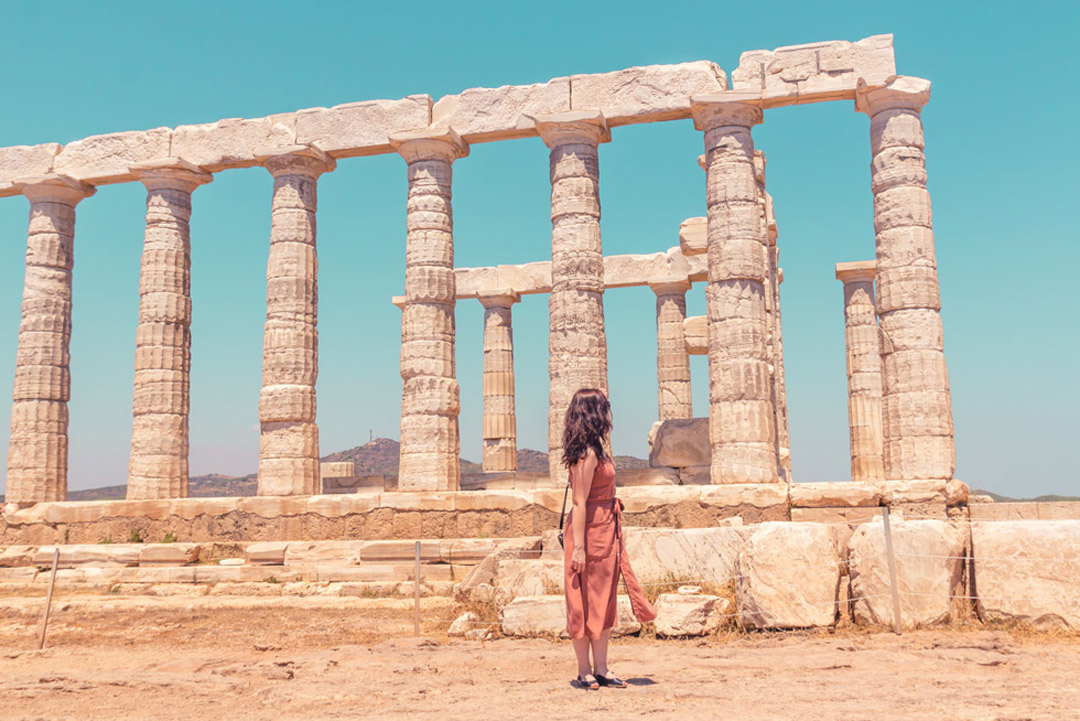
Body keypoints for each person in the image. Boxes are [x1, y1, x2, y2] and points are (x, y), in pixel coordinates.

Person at [561, 388, 656, 690]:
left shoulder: (597, 450)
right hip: (587, 531)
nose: (610, 414)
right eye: (605, 408)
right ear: (594, 413)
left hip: (605, 529)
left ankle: (602, 667)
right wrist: (578, 548)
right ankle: (584, 670)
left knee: (603, 600)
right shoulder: (586, 454)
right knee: (582, 602)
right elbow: (578, 502)